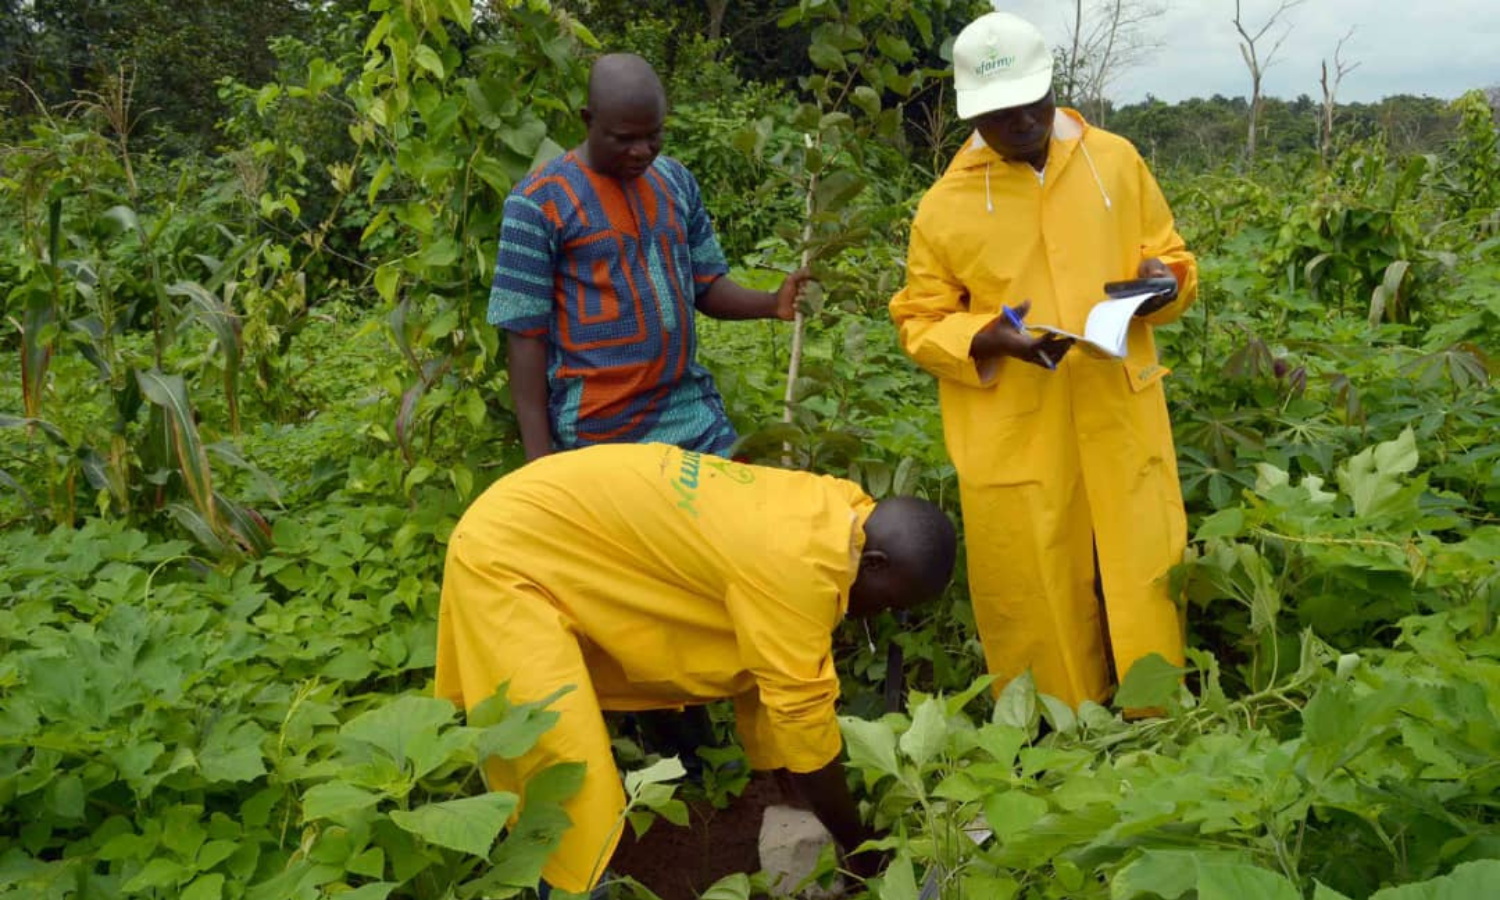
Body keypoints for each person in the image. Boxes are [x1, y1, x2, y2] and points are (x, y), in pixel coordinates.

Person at [435, 443, 957, 894]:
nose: (887, 613)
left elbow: (771, 670)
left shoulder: (840, 509)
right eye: (892, 602)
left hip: (555, 518)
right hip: (508, 553)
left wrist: (794, 803)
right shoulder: (795, 570)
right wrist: (862, 854)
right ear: (876, 563)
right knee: (562, 765)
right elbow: (801, 717)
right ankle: (574, 891)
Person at [888, 12, 1198, 708]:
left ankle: (1156, 711)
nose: (1023, 122)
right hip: (1018, 422)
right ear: (974, 112)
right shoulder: (945, 207)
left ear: (1053, 87)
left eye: (1034, 102)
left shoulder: (1114, 161)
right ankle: (1065, 724)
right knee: (1032, 572)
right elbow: (918, 320)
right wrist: (986, 338)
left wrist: (1162, 286)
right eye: (1002, 113)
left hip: (1118, 399)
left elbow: (1173, 258)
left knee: (1145, 561)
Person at [490, 52, 809, 461]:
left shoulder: (676, 182)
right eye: (624, 139)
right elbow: (524, 337)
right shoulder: (537, 203)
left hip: (691, 410)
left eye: (653, 135)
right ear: (588, 121)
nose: (642, 151)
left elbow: (706, 285)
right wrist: (540, 464)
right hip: (597, 428)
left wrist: (771, 303)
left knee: (742, 510)